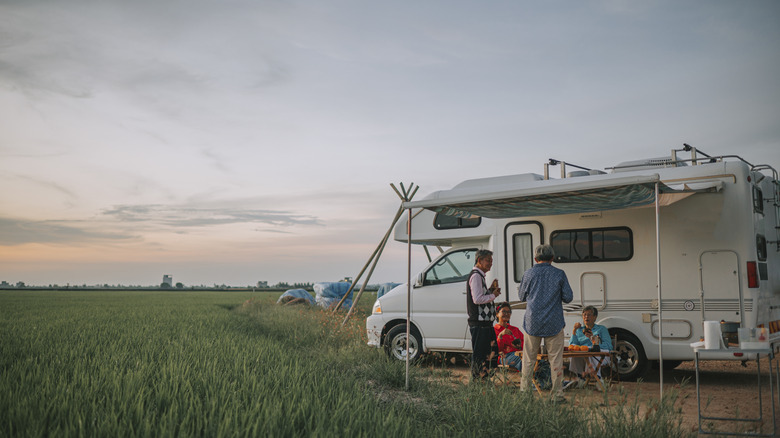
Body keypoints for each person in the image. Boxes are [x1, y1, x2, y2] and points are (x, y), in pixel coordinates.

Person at [518, 244, 573, 402]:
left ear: (535, 259)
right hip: (554, 322)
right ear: (552, 258)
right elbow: (568, 297)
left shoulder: (528, 274)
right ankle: (557, 395)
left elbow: (522, 296)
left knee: (529, 359)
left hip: (532, 322)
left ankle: (525, 393)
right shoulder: (559, 274)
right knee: (555, 360)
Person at [467, 249, 502, 380]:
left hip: (484, 322)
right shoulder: (476, 276)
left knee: (488, 352)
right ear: (479, 260)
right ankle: (478, 380)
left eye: (491, 261)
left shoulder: (479, 276)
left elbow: (480, 296)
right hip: (479, 322)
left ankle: (483, 378)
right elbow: (477, 299)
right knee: (481, 354)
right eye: (488, 260)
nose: (490, 264)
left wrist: (490, 290)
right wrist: (493, 295)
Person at [566, 305, 613, 390]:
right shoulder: (580, 330)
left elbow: (608, 346)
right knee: (575, 353)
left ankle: (598, 378)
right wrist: (574, 331)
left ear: (595, 317)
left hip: (601, 355)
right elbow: (572, 345)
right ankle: (580, 378)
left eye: (589, 315)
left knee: (592, 352)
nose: (586, 317)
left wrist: (592, 338)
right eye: (584, 315)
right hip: (584, 355)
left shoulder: (601, 329)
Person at [494, 301, 523, 371]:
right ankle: (529, 381)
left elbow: (524, 343)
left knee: (540, 362)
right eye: (503, 311)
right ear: (497, 314)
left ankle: (545, 382)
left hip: (519, 354)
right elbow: (495, 350)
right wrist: (500, 335)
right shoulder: (494, 330)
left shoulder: (515, 329)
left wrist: (519, 346)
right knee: (525, 360)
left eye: (509, 312)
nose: (506, 314)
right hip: (504, 357)